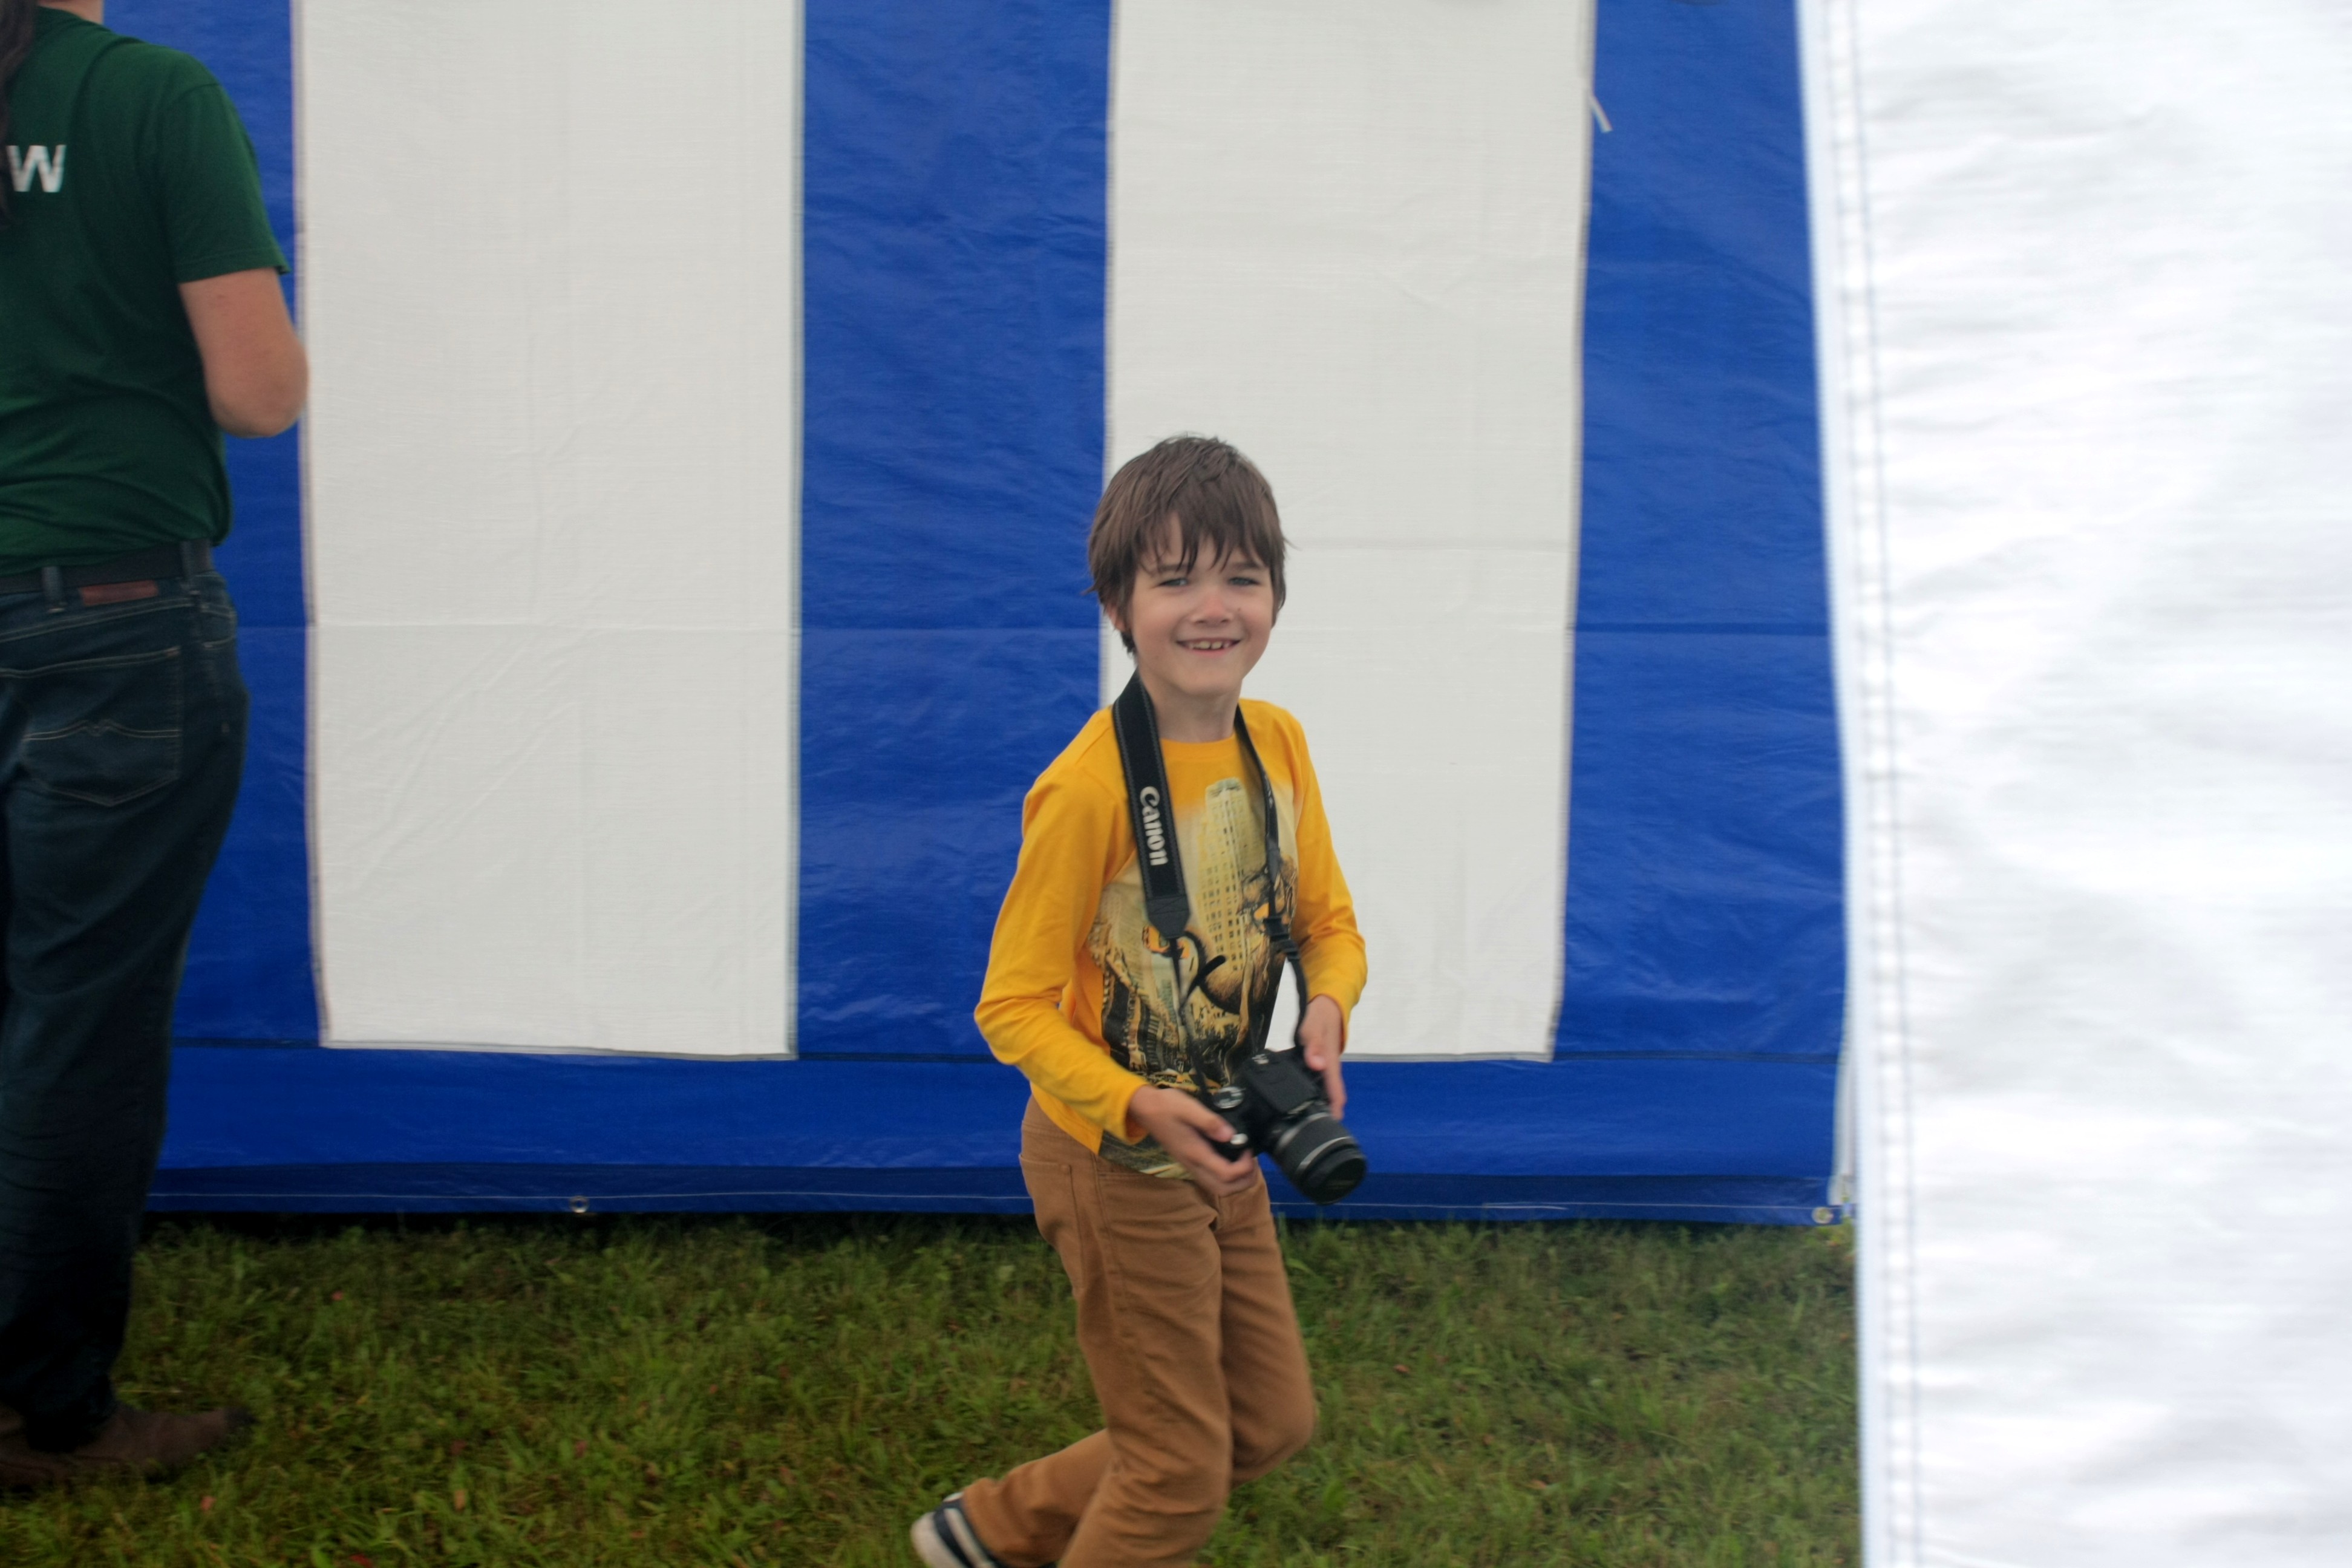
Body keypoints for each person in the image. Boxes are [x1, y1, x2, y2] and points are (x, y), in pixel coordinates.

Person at [913, 437, 1367, 1568]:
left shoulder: (1278, 744)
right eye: (1175, 581)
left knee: (1269, 1422)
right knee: (1175, 1476)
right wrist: (1135, 1104)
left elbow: (1328, 926)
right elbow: (1012, 1006)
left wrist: (1328, 1007)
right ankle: (1008, 1530)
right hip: (1112, 1161)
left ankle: (991, 1530)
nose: (1213, 608)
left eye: (1242, 578)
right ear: (1120, 606)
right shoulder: (1088, 791)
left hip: (1226, 1139)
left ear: (1276, 598)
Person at [0, 0, 305, 1486]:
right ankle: (44, 1414)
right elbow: (259, 393)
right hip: (108, 613)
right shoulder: (149, 96)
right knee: (77, 1029)